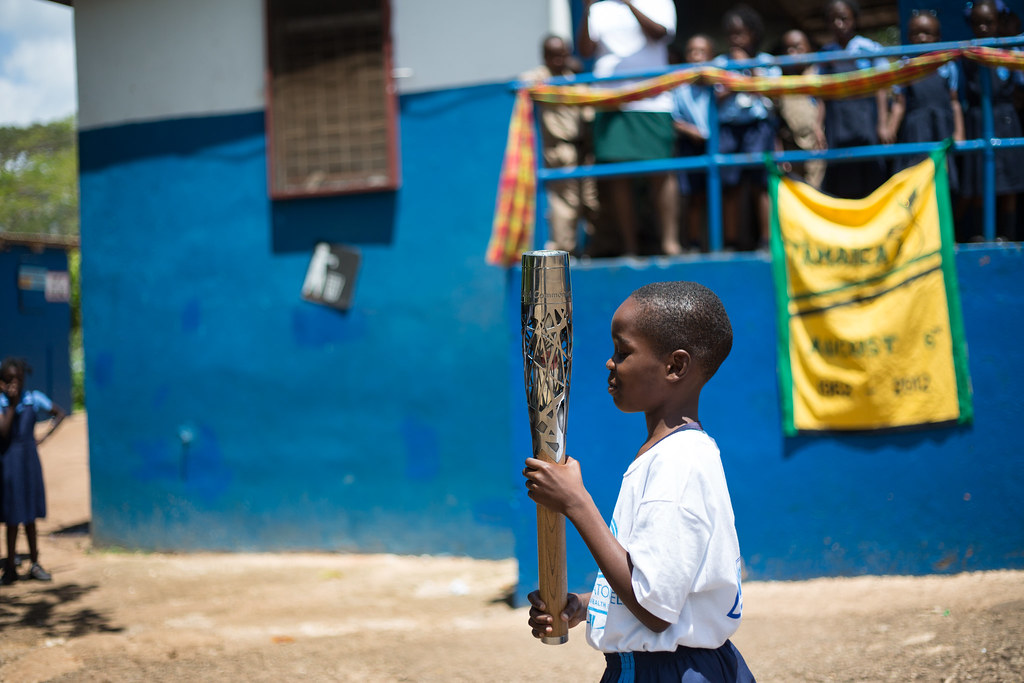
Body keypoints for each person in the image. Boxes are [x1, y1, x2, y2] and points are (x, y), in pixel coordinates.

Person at [523, 281, 755, 682]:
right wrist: (584, 604)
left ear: (675, 366)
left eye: (623, 352)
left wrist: (576, 504)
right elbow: (655, 585)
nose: (610, 364)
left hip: (672, 672)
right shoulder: (664, 456)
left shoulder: (679, 463)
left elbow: (655, 611)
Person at [579, 0, 680, 256]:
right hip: (610, 103)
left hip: (652, 103)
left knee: (661, 171)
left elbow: (659, 34)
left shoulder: (659, 2)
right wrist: (588, 8)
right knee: (618, 175)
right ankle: (630, 247)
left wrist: (629, 3)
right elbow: (586, 51)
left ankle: (670, 243)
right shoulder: (599, 9)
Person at [520, 35, 600, 256]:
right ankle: (566, 253)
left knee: (591, 202)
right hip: (560, 148)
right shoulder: (541, 78)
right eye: (554, 56)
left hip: (584, 149)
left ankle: (595, 249)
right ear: (545, 56)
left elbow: (590, 109)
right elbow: (523, 83)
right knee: (566, 205)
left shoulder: (572, 79)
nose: (559, 60)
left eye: (563, 54)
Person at [714, 5, 781, 250]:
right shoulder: (720, 63)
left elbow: (771, 93)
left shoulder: (766, 62)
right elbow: (715, 97)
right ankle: (730, 241)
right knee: (729, 185)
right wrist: (732, 80)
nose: (735, 39)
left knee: (760, 184)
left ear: (753, 34)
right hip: (729, 129)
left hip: (758, 128)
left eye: (740, 33)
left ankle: (765, 240)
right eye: (730, 34)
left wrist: (748, 70)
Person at [960, 0, 1024, 241]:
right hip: (978, 121)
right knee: (980, 181)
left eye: (989, 22)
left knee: (1010, 182)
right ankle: (980, 234)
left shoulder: (1011, 52)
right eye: (978, 23)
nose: (984, 28)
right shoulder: (966, 54)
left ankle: (1007, 235)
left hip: (1007, 122)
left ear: (998, 23)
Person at [1, 357, 66, 585]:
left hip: (29, 463)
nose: (14, 385)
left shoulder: (33, 399)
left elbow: (60, 413)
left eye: (17, 380)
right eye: (9, 381)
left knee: (29, 514)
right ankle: (10, 567)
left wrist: (44, 437)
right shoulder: (2, 404)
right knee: (11, 517)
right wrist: (10, 404)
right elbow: (3, 434)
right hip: (9, 464)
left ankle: (35, 563)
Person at [819, 0, 892, 199]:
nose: (839, 24)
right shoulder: (825, 54)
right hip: (837, 121)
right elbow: (823, 94)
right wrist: (819, 126)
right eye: (833, 20)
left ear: (854, 20)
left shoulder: (868, 48)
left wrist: (883, 123)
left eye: (844, 19)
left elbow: (881, 87)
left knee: (869, 169)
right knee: (841, 171)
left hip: (864, 118)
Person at [886, 11, 965, 188]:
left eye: (927, 33)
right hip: (916, 131)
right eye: (916, 33)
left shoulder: (947, 65)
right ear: (909, 37)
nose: (922, 38)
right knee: (916, 177)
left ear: (938, 37)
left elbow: (954, 102)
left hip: (942, 129)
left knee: (943, 178)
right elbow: (899, 103)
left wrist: (959, 132)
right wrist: (890, 127)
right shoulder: (905, 66)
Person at [670, 34, 715, 252]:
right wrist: (690, 130)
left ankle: (719, 241)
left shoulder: (717, 83)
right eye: (692, 52)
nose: (696, 57)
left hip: (715, 145)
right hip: (690, 144)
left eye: (702, 52)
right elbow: (673, 119)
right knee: (693, 197)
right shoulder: (679, 86)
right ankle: (694, 242)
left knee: (719, 192)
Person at [775, 29, 827, 189]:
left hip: (815, 142)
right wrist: (780, 150)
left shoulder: (816, 76)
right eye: (788, 49)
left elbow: (821, 103)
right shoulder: (780, 83)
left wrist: (818, 127)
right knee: (796, 187)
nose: (793, 53)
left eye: (799, 48)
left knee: (815, 186)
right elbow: (775, 118)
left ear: (809, 49)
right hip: (791, 143)